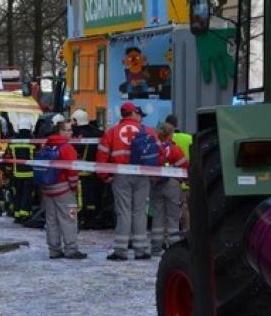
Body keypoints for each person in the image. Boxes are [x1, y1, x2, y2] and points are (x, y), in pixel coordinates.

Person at [96, 102, 158, 260]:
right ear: (134, 113)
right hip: (142, 174)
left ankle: (121, 250)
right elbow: (160, 152)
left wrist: (105, 176)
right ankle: (141, 249)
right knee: (140, 211)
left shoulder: (112, 132)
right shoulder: (148, 131)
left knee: (123, 211)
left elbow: (102, 156)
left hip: (121, 174)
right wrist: (154, 174)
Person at [39, 122, 86, 259]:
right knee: (69, 218)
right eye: (67, 130)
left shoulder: (46, 145)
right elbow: (72, 170)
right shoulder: (67, 148)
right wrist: (74, 186)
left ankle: (54, 250)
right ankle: (71, 249)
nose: (71, 133)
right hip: (64, 190)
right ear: (59, 131)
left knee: (51, 220)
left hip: (48, 190)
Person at [150, 122, 188, 256]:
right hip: (172, 184)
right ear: (170, 134)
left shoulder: (153, 148)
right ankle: (173, 246)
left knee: (158, 216)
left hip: (155, 185)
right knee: (173, 218)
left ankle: (156, 246)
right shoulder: (174, 149)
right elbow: (184, 167)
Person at [70, 109, 109, 230]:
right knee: (96, 196)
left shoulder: (80, 135)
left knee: (83, 199)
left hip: (83, 172)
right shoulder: (98, 132)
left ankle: (83, 218)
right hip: (98, 171)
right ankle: (95, 217)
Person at [165, 114, 192, 232]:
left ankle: (168, 236)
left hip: (168, 180)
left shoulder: (164, 138)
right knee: (186, 208)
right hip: (186, 180)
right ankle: (186, 233)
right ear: (177, 124)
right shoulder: (188, 138)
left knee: (168, 210)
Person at [8, 120, 36, 224]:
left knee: (17, 194)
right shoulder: (33, 141)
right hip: (30, 174)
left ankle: (17, 215)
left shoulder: (13, 141)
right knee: (27, 195)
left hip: (16, 173)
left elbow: (8, 156)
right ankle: (25, 215)